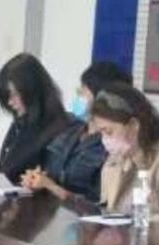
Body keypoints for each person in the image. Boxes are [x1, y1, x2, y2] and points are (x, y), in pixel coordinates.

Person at [21, 62, 132, 203]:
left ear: (101, 98)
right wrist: (35, 179)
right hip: (46, 210)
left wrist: (52, 187)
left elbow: (101, 203)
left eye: (84, 90)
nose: (78, 93)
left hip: (79, 216)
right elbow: (46, 170)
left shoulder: (111, 145)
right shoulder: (68, 129)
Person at [92, 82, 159, 219]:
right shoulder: (114, 162)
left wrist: (136, 222)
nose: (105, 140)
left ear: (134, 125)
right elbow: (108, 211)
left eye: (109, 132)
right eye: (101, 133)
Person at [0, 53, 72, 183]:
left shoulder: (57, 129)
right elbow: (3, 169)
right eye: (7, 96)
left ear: (32, 91)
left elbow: (14, 173)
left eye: (15, 94)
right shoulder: (22, 122)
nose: (10, 102)